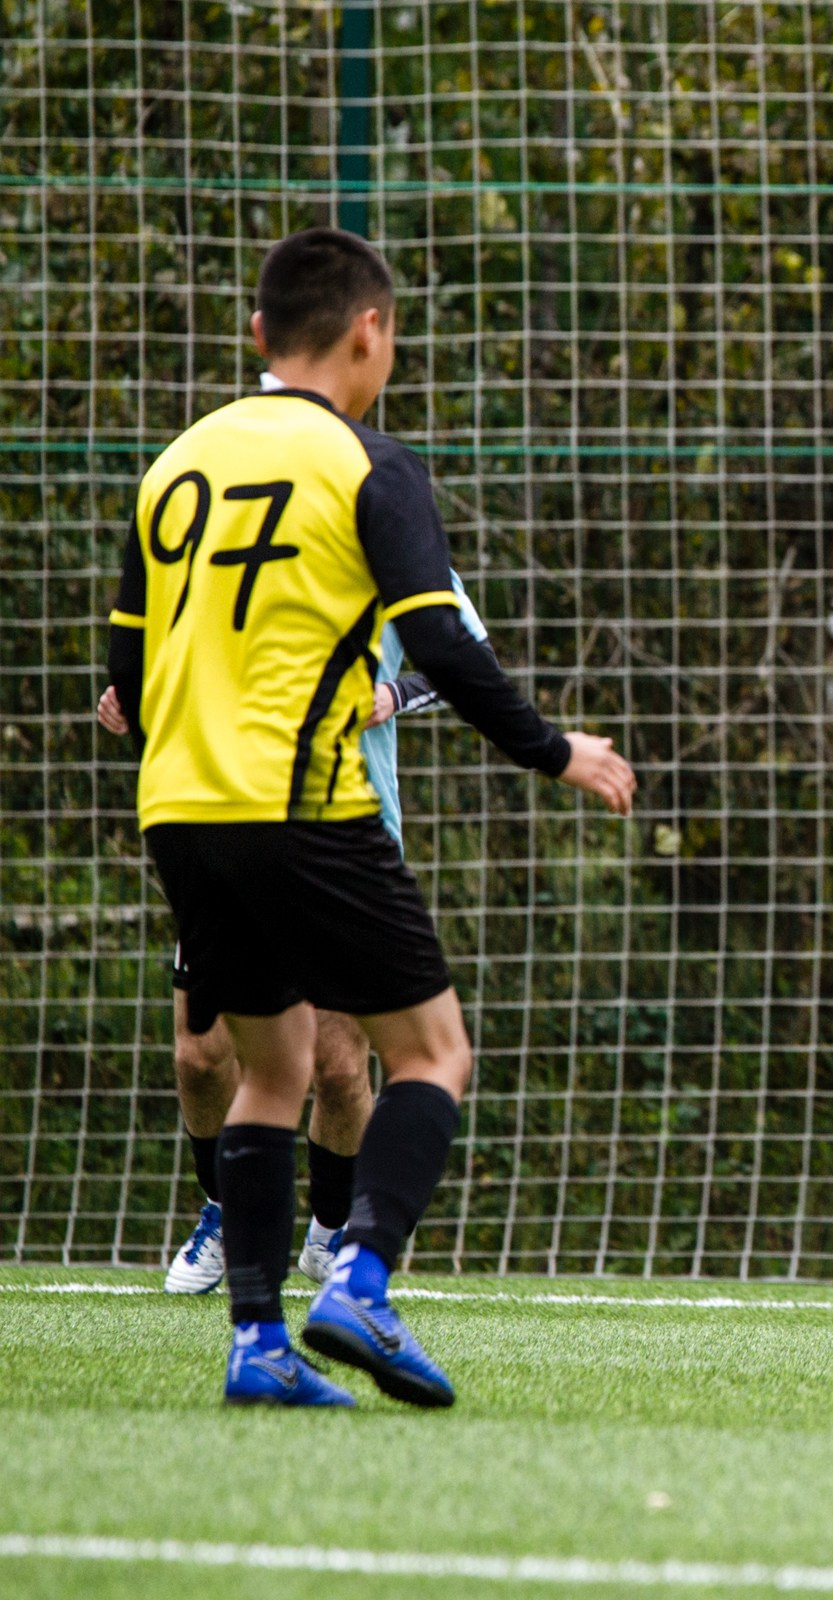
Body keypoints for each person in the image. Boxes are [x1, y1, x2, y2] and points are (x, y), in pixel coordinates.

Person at [106, 226, 636, 1407]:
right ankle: (362, 1278)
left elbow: (125, 677)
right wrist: (558, 752)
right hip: (306, 804)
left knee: (272, 1068)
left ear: (257, 338)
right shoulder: (369, 465)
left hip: (180, 810)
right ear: (372, 333)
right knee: (432, 1052)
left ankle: (258, 1344)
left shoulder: (173, 467)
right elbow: (441, 639)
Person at [101, 560, 490, 1296]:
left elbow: (471, 658)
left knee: (340, 1068)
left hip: (347, 838)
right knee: (200, 1058)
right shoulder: (229, 530)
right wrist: (138, 692)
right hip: (226, 825)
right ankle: (223, 1211)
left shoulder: (389, 534)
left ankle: (328, 1233)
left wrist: (394, 691)